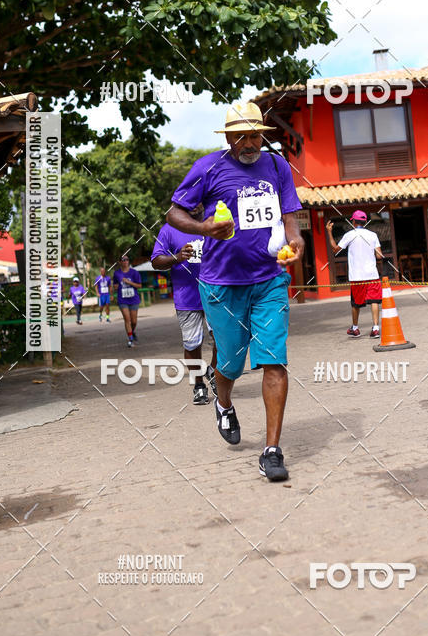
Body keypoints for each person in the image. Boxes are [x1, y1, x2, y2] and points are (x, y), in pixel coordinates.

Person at [168, 101, 304, 482]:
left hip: (269, 281)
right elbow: (174, 214)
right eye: (242, 136)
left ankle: (272, 450)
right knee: (228, 363)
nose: (250, 142)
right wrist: (205, 227)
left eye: (256, 135)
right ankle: (223, 402)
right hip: (221, 283)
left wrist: (296, 243)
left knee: (274, 359)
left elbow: (290, 220)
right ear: (228, 137)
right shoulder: (208, 167)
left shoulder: (277, 166)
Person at [151, 206, 217, 406]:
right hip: (187, 297)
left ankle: (213, 372)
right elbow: (156, 261)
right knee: (192, 344)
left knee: (223, 339)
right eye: (191, 201)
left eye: (199, 200)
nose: (196, 205)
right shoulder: (170, 229)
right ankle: (199, 385)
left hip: (217, 294)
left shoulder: (215, 222)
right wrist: (177, 257)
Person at [326, 210, 383, 338]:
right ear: (364, 222)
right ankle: (375, 329)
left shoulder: (349, 235)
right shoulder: (373, 235)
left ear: (353, 221)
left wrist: (329, 232)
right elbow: (379, 256)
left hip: (357, 276)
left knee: (356, 303)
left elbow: (335, 249)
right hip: (372, 275)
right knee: (374, 301)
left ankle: (355, 328)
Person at [113, 255, 141, 347]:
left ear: (128, 261)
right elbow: (115, 285)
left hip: (134, 299)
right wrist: (115, 287)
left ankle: (132, 332)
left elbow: (139, 286)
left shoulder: (134, 273)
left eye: (126, 259)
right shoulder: (117, 273)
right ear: (120, 262)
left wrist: (129, 282)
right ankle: (130, 340)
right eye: (123, 260)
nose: (125, 261)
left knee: (134, 321)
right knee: (127, 319)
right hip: (122, 299)